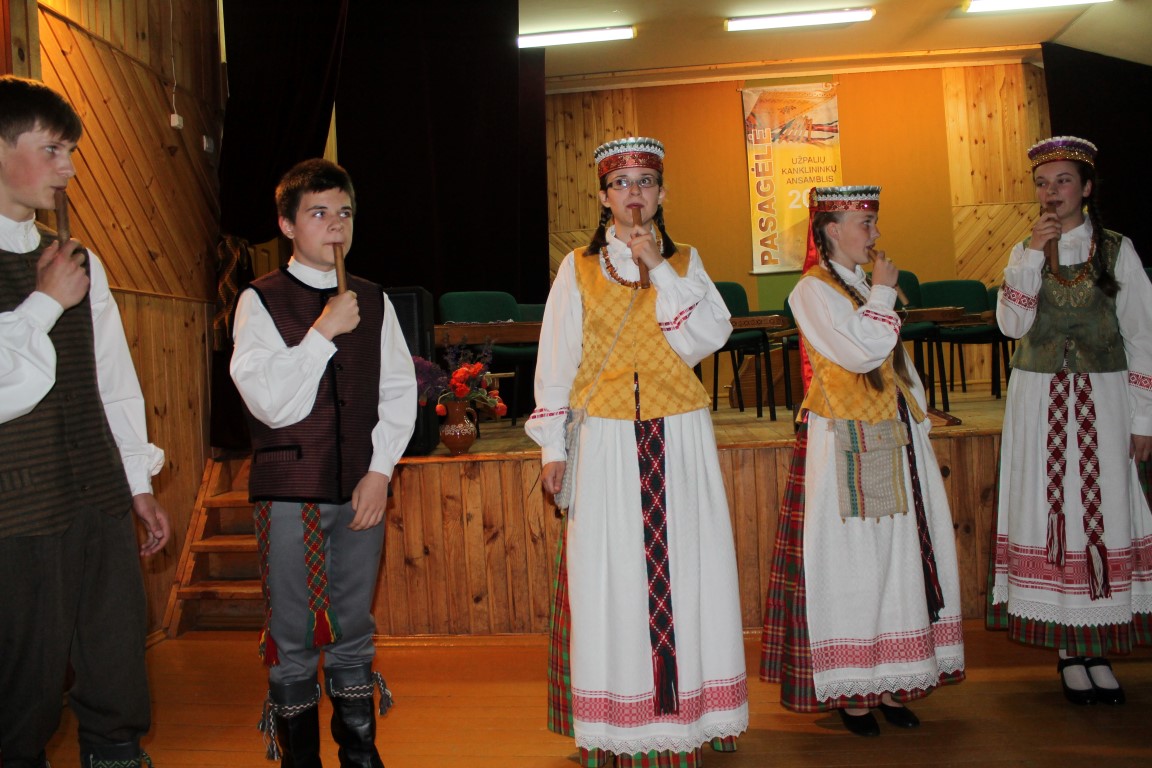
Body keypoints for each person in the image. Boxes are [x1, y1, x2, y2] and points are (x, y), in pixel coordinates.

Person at [526, 137, 748, 767]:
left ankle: (694, 713)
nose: (633, 193)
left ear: (661, 194)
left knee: (689, 565)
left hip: (679, 433)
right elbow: (556, 361)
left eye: (645, 181)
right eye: (620, 182)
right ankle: (621, 720)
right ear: (603, 197)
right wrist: (552, 448)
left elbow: (705, 339)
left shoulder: (687, 262)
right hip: (605, 439)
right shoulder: (576, 268)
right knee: (613, 573)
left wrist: (662, 269)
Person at [0, 75, 169, 767]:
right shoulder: (54, 277)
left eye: (70, 151)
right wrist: (44, 302)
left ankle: (116, 753)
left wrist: (137, 483)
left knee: (114, 656)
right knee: (23, 676)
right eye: (52, 150)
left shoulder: (76, 257)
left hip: (96, 492)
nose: (68, 168)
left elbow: (113, 381)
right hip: (17, 507)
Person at [230, 158, 417, 766]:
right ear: (287, 225)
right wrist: (322, 332)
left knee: (353, 625)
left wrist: (380, 472)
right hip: (290, 490)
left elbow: (397, 391)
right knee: (293, 632)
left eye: (345, 213)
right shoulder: (260, 300)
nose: (336, 225)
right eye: (318, 213)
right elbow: (269, 402)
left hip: (360, 489)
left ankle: (360, 756)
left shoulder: (373, 298)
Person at [760, 186, 965, 737]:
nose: (874, 234)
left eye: (874, 222)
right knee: (854, 559)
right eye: (864, 223)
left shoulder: (860, 285)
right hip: (845, 440)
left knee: (896, 554)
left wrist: (918, 408)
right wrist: (883, 293)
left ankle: (893, 679)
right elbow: (858, 351)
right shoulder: (812, 290)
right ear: (831, 229)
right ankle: (853, 691)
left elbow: (893, 359)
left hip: (893, 433)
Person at [989, 136, 1152, 705]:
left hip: (1104, 398)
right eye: (1042, 183)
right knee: (1051, 513)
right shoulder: (1024, 251)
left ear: (1085, 188)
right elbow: (1011, 325)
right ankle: (1067, 651)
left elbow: (1143, 333)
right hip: (1040, 401)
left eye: (1062, 181)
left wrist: (1144, 418)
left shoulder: (1116, 249)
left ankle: (1096, 647)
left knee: (1099, 512)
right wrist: (1031, 256)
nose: (1051, 192)